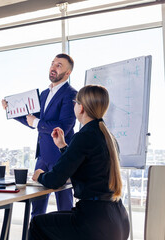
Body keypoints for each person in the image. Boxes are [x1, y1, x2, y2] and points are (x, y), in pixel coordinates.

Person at [29, 85, 130, 240]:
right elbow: (84, 164)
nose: (74, 106)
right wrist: (63, 147)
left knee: (37, 223)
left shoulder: (84, 136)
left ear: (81, 108)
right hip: (117, 217)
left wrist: (40, 175)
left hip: (94, 221)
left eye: (74, 103)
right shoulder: (108, 136)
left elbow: (55, 180)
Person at [2, 53, 77, 216]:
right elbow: (32, 120)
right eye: (53, 63)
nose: (53, 67)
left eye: (59, 65)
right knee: (36, 206)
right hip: (42, 157)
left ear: (68, 73)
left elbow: (64, 126)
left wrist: (36, 122)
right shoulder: (43, 94)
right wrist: (11, 110)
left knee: (64, 206)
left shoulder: (71, 94)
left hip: (61, 157)